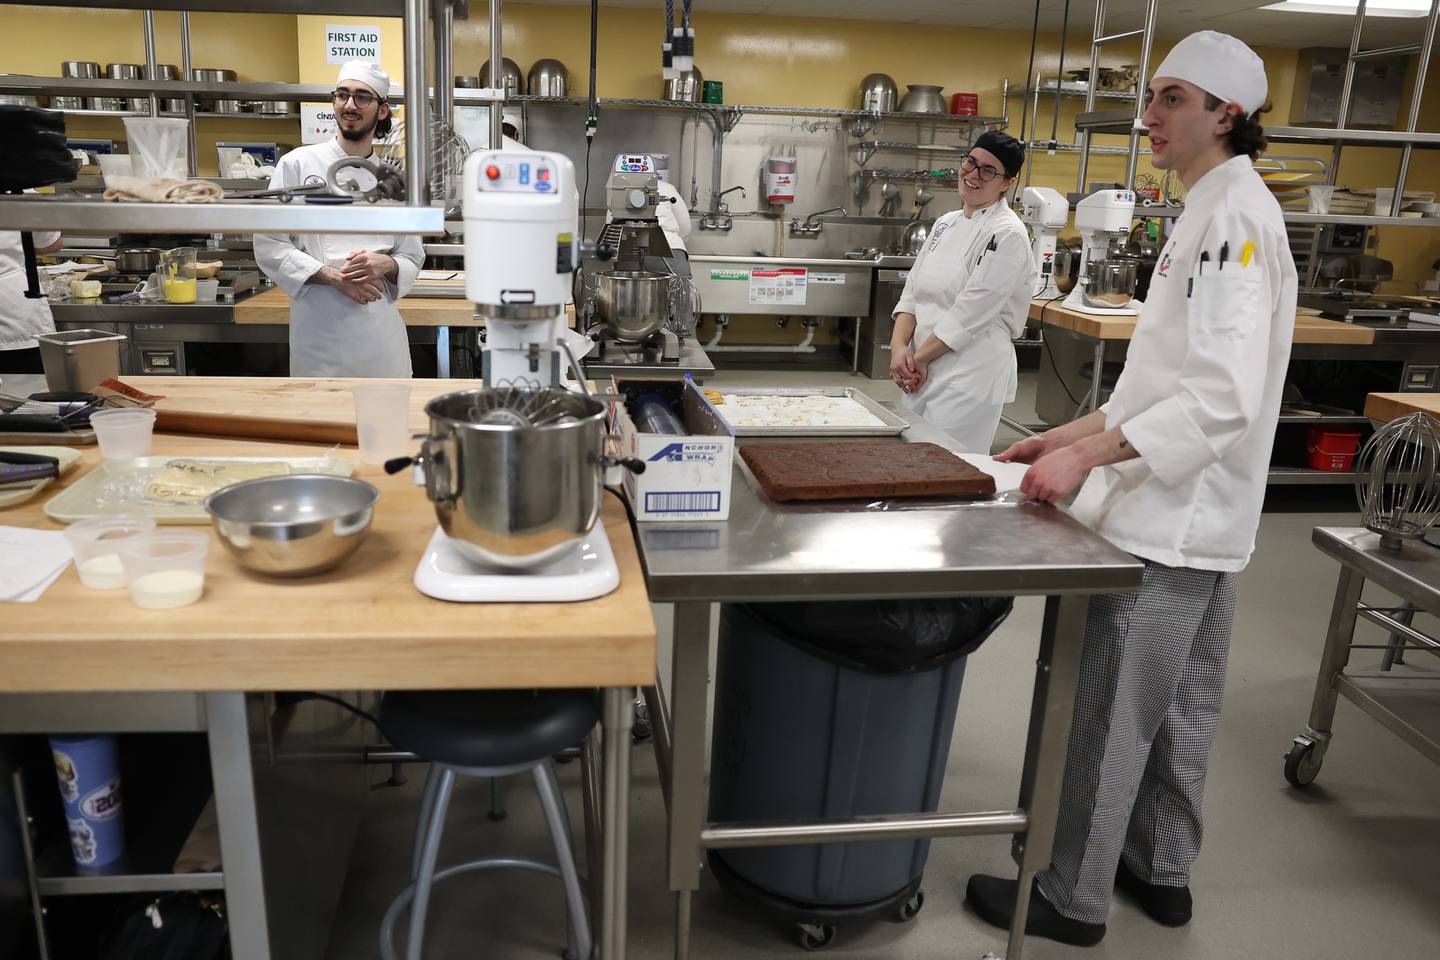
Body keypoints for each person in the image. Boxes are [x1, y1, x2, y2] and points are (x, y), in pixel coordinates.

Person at [967, 32, 1296, 946]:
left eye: (1173, 99)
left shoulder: (1233, 219)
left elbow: (1219, 397)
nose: (1149, 115)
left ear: (1228, 114)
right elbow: (1160, 377)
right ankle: (1162, 870)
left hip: (1174, 514)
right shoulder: (1211, 208)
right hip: (1203, 517)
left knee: (1111, 711)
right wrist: (1065, 434)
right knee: (1183, 703)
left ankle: (1072, 899)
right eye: (1150, 96)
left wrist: (1089, 462)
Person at [254, 62, 424, 377]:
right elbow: (269, 243)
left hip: (379, 339)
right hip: (319, 338)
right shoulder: (298, 164)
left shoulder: (396, 179)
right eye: (342, 95)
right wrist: (333, 276)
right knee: (320, 418)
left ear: (382, 110)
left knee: (384, 419)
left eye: (362, 97)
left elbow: (412, 254)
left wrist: (386, 265)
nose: (349, 105)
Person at [888, 130, 1033, 453]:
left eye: (989, 170)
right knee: (907, 461)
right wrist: (899, 349)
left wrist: (915, 360)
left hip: (969, 375)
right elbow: (913, 291)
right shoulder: (945, 223)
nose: (973, 174)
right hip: (921, 368)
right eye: (971, 162)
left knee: (946, 470)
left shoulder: (1007, 234)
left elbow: (969, 315)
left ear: (1007, 182)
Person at [0, 229, 62, 374]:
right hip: (15, 316)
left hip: (14, 320)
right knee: (28, 391)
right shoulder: (16, 205)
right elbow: (51, 243)